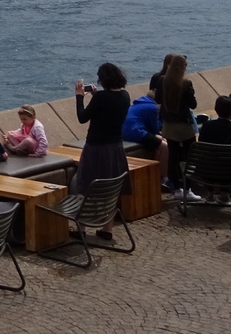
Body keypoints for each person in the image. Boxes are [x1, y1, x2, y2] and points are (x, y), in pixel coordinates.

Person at [72, 63, 132, 240]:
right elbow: (109, 109)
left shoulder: (101, 98)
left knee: (85, 185)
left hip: (96, 148)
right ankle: (107, 229)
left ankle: (81, 228)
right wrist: (96, 96)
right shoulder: (125, 96)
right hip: (115, 147)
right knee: (110, 189)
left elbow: (82, 117)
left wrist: (79, 97)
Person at [153, 55, 200, 198]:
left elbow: (157, 99)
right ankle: (188, 189)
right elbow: (193, 104)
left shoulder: (162, 81)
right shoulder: (186, 83)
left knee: (172, 157)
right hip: (184, 126)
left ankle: (176, 189)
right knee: (190, 156)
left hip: (168, 125)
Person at [122, 91, 170, 192]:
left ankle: (155, 174)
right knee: (165, 147)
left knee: (158, 145)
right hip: (135, 132)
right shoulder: (152, 108)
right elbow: (154, 129)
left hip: (126, 132)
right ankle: (164, 178)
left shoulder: (140, 103)